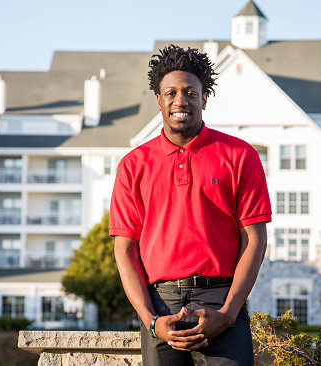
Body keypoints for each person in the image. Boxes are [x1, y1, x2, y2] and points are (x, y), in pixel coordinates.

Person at [109, 44, 271, 365]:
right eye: (170, 93)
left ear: (204, 98)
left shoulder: (240, 155)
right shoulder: (133, 164)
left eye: (190, 93)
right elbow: (125, 249)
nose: (180, 101)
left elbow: (254, 238)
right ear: (159, 100)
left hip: (222, 298)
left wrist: (228, 312)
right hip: (160, 304)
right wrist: (151, 321)